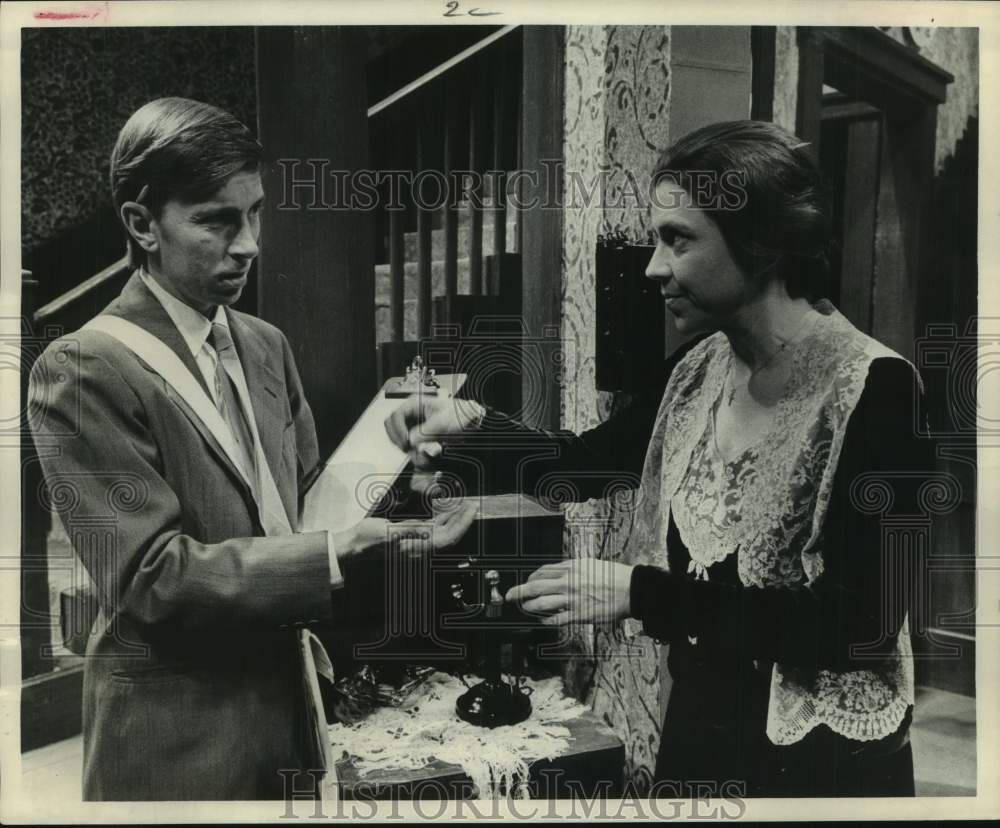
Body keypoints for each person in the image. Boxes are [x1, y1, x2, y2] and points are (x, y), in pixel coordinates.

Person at [385, 120, 929, 797]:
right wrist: (466, 426)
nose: (653, 267)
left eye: (679, 239)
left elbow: (860, 625)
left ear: (761, 243)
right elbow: (582, 464)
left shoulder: (876, 389)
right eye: (656, 239)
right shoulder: (697, 369)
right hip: (702, 733)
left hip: (822, 764)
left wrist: (639, 594)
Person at [28, 97, 474, 801]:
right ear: (142, 224)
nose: (248, 245)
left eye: (255, 213)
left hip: (289, 713)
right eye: (217, 220)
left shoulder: (264, 345)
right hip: (177, 743)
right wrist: (332, 552)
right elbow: (150, 579)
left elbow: (300, 511)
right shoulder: (83, 367)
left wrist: (402, 478)